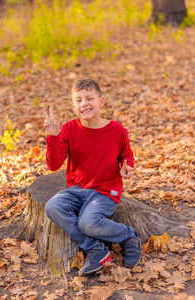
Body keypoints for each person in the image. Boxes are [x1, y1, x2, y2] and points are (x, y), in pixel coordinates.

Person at [43, 78, 141, 276]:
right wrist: (53, 136)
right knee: (52, 206)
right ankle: (95, 248)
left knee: (88, 223)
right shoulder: (69, 129)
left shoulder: (116, 130)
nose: (84, 103)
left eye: (89, 98)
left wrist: (127, 166)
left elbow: (126, 154)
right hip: (78, 189)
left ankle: (128, 235)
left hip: (105, 191)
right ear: (73, 106)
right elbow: (54, 165)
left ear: (101, 101)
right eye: (78, 100)